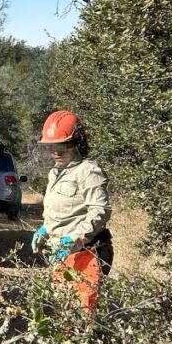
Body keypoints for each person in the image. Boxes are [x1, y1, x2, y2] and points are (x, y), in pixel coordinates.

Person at [30, 110, 114, 275]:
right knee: (63, 300)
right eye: (51, 147)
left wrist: (73, 239)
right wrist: (45, 229)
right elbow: (63, 212)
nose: (56, 152)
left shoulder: (88, 171)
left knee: (82, 301)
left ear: (77, 142)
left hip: (87, 253)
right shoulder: (55, 172)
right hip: (62, 254)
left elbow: (100, 211)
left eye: (61, 146)